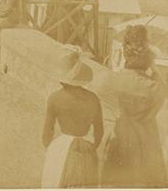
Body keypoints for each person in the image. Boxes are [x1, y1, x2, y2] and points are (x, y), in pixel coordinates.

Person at [101, 25, 167, 188]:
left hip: (120, 136)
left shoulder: (111, 80)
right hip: (147, 141)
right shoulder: (153, 87)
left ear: (125, 54)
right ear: (147, 59)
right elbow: (163, 87)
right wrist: (153, 65)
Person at [41, 47, 104, 188]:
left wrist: (50, 150)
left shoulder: (55, 98)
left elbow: (47, 132)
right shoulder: (93, 99)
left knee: (56, 180)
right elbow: (99, 131)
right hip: (85, 149)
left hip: (61, 147)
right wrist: (92, 148)